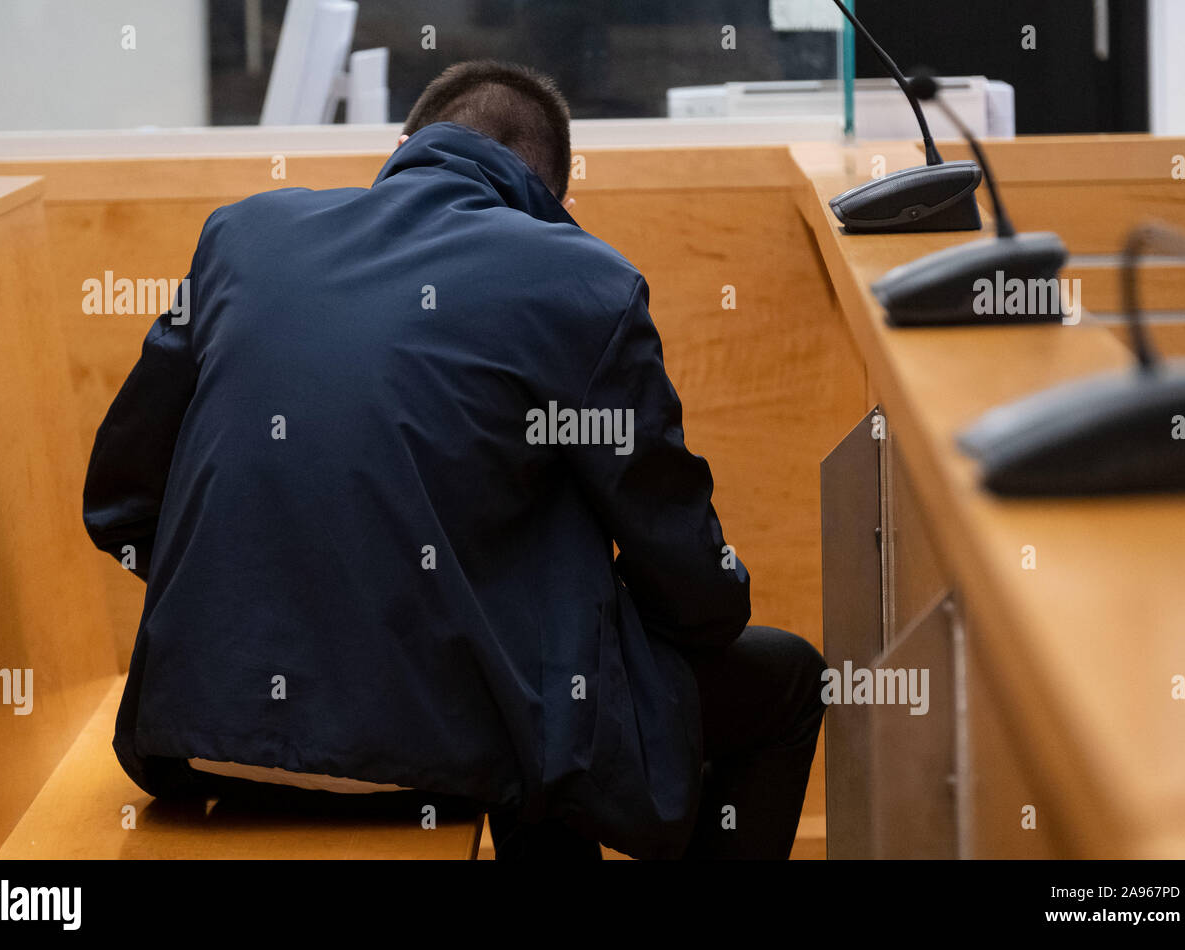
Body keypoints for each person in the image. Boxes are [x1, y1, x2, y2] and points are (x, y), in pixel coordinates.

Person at [83, 59, 827, 860]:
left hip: (193, 735)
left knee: (523, 635)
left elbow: (121, 503)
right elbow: (687, 576)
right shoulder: (582, 281)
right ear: (556, 202)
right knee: (782, 680)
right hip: (439, 758)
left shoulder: (240, 235)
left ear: (402, 146)